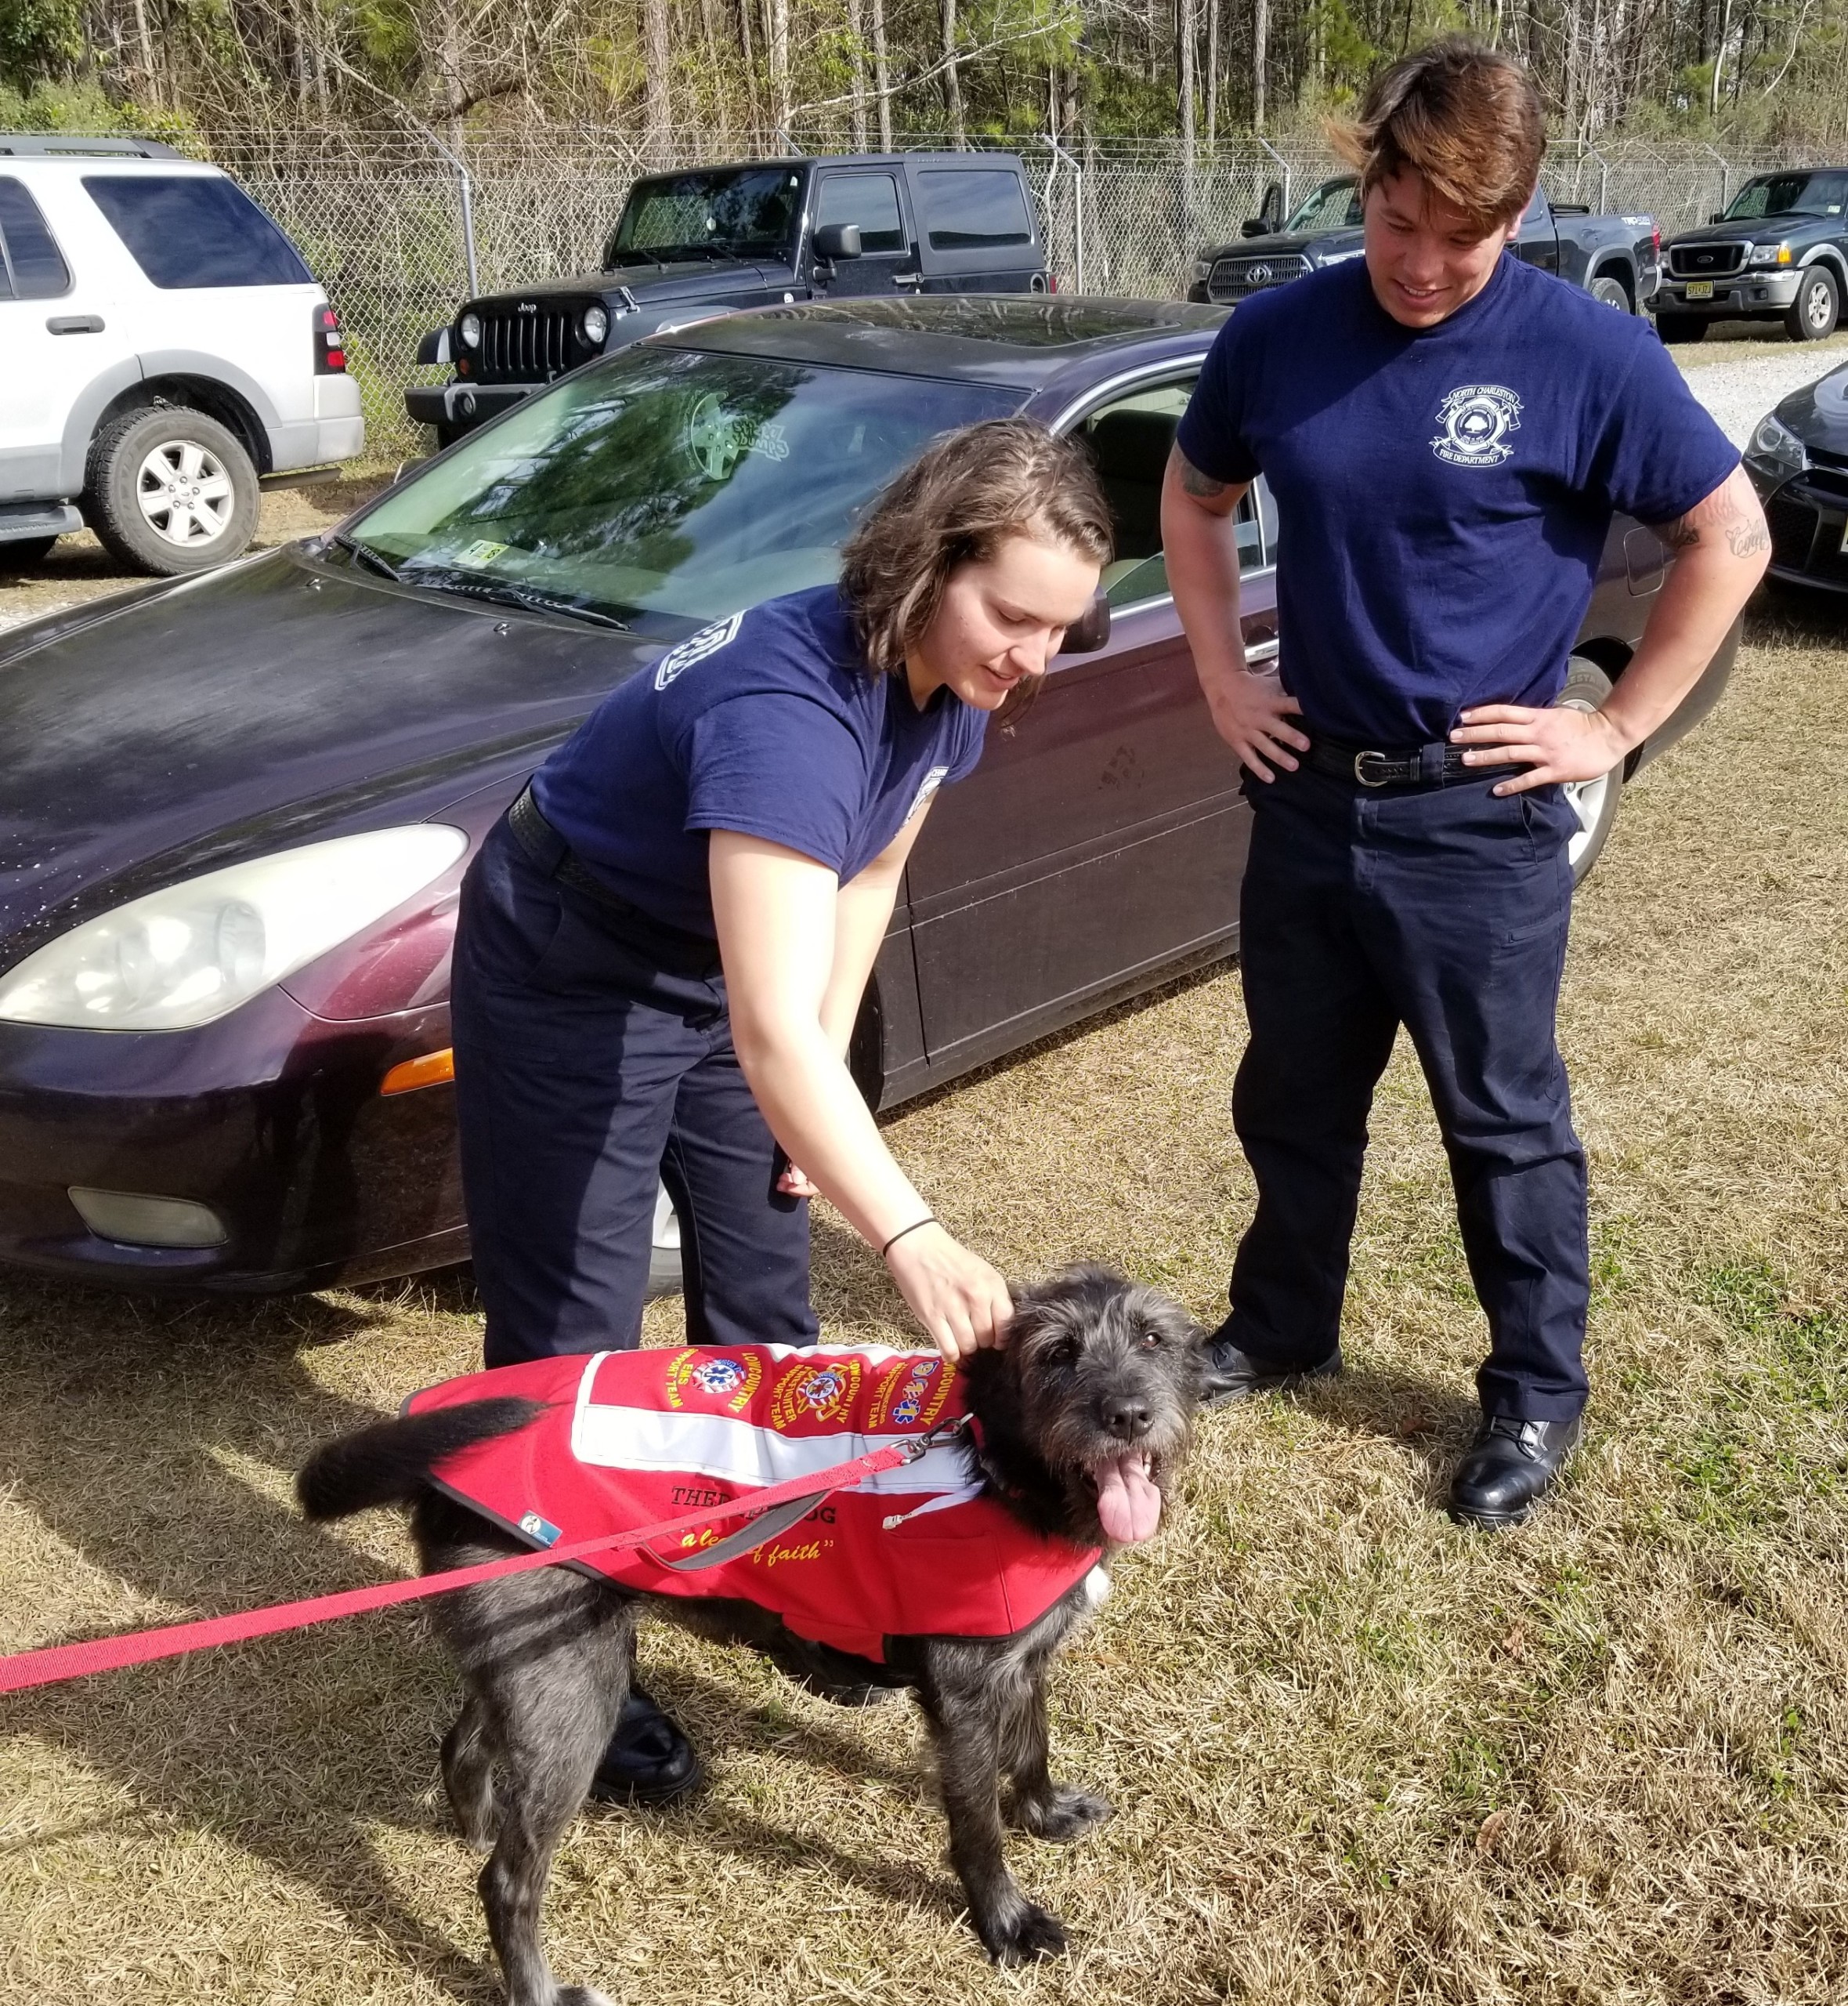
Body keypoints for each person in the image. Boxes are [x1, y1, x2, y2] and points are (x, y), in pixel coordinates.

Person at [449, 416, 1111, 1801]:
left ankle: (783, 1576)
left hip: (719, 959)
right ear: (927, 563)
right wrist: (909, 1233)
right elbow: (765, 1035)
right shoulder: (787, 714)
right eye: (1012, 617)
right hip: (575, 962)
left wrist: (827, 1070)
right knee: (576, 1335)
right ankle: (564, 1663)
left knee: (766, 1310)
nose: (1034, 659)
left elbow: (865, 880)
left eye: (1061, 629)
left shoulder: (951, 687)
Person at [1161, 38, 1768, 1529]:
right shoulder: (1279, 336)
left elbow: (1732, 536)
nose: (1423, 264)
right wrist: (1224, 676)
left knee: (1501, 1119)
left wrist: (1615, 728)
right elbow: (1193, 491)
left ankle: (1535, 1393)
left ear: (1519, 211)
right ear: (1363, 182)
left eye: (1462, 235)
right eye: (1397, 222)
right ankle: (1283, 1325)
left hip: (1476, 819)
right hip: (1310, 793)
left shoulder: (1588, 356)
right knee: (1293, 1091)